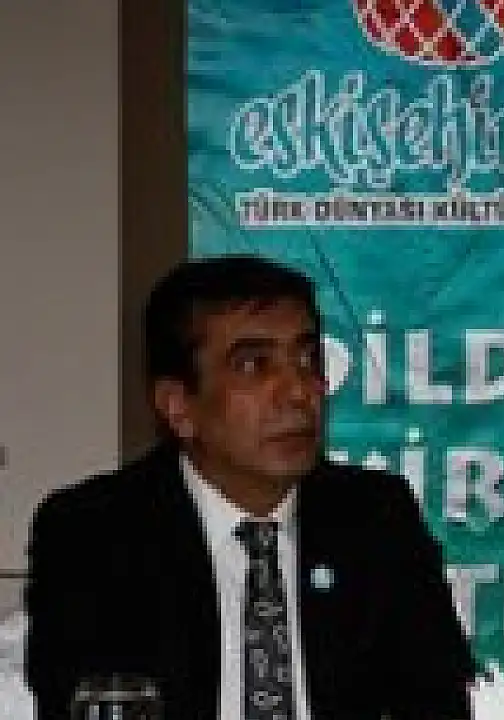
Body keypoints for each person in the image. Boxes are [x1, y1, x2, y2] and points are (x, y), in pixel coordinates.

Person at [23, 256, 474, 720]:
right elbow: (91, 701)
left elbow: (437, 703)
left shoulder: (376, 519)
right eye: (254, 365)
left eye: (308, 359)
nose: (299, 391)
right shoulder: (94, 533)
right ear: (178, 406)